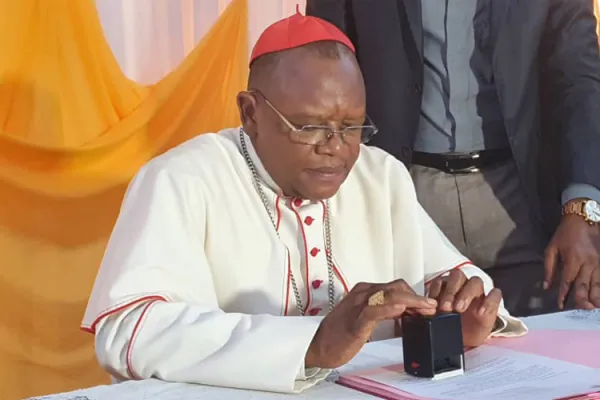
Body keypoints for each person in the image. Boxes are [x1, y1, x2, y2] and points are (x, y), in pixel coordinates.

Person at [81, 11, 526, 394]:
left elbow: (446, 275)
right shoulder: (182, 179)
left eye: (352, 128)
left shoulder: (379, 175)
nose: (336, 148)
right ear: (250, 113)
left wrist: (464, 314)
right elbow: (128, 330)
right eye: (310, 127)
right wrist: (313, 343)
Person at [306, 0, 600, 317]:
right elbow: (325, 65)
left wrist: (582, 206)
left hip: (525, 203)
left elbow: (578, 80)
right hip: (408, 199)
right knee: (414, 355)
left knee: (546, 354)